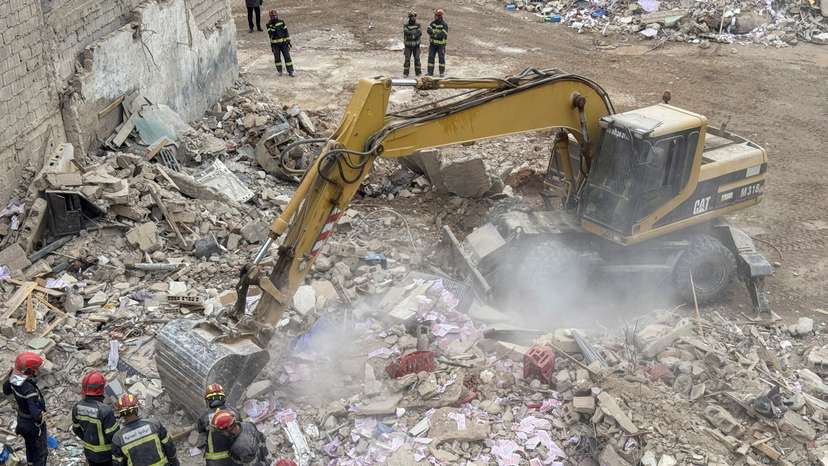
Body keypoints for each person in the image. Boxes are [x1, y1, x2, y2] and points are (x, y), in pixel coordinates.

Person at [2, 352, 48, 466]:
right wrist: (40, 418)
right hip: (32, 426)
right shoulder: (29, 390)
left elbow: (6, 389)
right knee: (40, 453)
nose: (37, 371)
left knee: (30, 447)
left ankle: (30, 463)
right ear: (28, 371)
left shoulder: (14, 378)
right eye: (35, 369)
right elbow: (35, 414)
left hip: (22, 421)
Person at [111, 394, 179, 466]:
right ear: (136, 409)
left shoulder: (118, 438)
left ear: (121, 414)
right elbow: (170, 448)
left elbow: (118, 463)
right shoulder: (154, 425)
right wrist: (175, 463)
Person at [71, 371, 118, 466]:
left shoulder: (77, 407)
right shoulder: (106, 410)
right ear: (101, 389)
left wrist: (88, 440)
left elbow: (76, 429)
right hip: (106, 455)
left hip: (89, 453)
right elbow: (114, 437)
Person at [196, 384, 242, 465]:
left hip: (215, 461)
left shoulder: (203, 417)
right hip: (236, 457)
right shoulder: (234, 412)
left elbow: (201, 437)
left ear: (208, 400)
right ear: (223, 398)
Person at [266, 10, 294, 77]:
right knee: (277, 58)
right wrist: (273, 26)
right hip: (275, 45)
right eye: (272, 16)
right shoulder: (268, 25)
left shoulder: (281, 22)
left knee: (287, 57)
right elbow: (271, 34)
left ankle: (290, 71)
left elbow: (286, 31)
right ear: (270, 17)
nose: (274, 17)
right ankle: (280, 71)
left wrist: (288, 41)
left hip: (284, 43)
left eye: (275, 16)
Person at [427, 8, 448, 76]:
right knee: (431, 57)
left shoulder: (444, 24)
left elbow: (443, 34)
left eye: (436, 15)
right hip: (433, 45)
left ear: (439, 16)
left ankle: (441, 73)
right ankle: (430, 73)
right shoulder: (432, 23)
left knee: (441, 58)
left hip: (441, 46)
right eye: (435, 15)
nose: (434, 16)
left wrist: (434, 34)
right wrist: (435, 34)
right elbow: (428, 30)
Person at [403, 11, 422, 77]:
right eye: (412, 16)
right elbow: (406, 33)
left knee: (417, 58)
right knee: (407, 59)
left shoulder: (418, 25)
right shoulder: (406, 25)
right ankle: (405, 73)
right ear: (410, 17)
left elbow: (419, 33)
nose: (414, 18)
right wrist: (414, 34)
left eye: (414, 16)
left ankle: (418, 73)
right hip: (408, 46)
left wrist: (412, 34)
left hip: (416, 46)